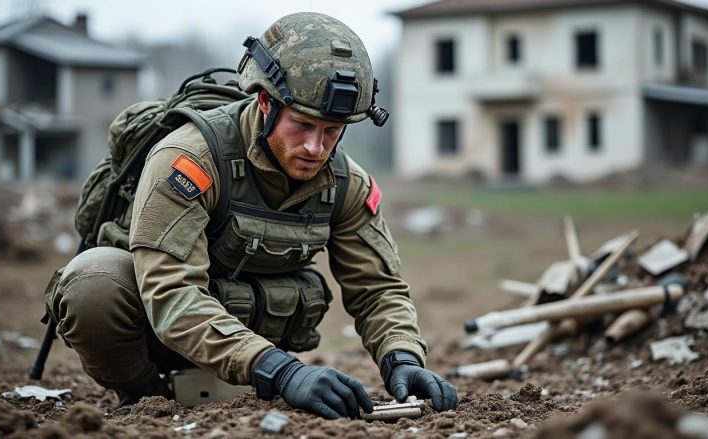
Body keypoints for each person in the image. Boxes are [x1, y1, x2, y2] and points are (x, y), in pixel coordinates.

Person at [45, 12, 458, 419]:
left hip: (261, 342)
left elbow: (378, 288)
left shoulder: (348, 182)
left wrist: (402, 358)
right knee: (93, 284)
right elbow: (172, 294)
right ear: (265, 102)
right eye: (302, 125)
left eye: (332, 131)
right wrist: (282, 372)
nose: (316, 148)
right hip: (161, 332)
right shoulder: (191, 158)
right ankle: (147, 400)